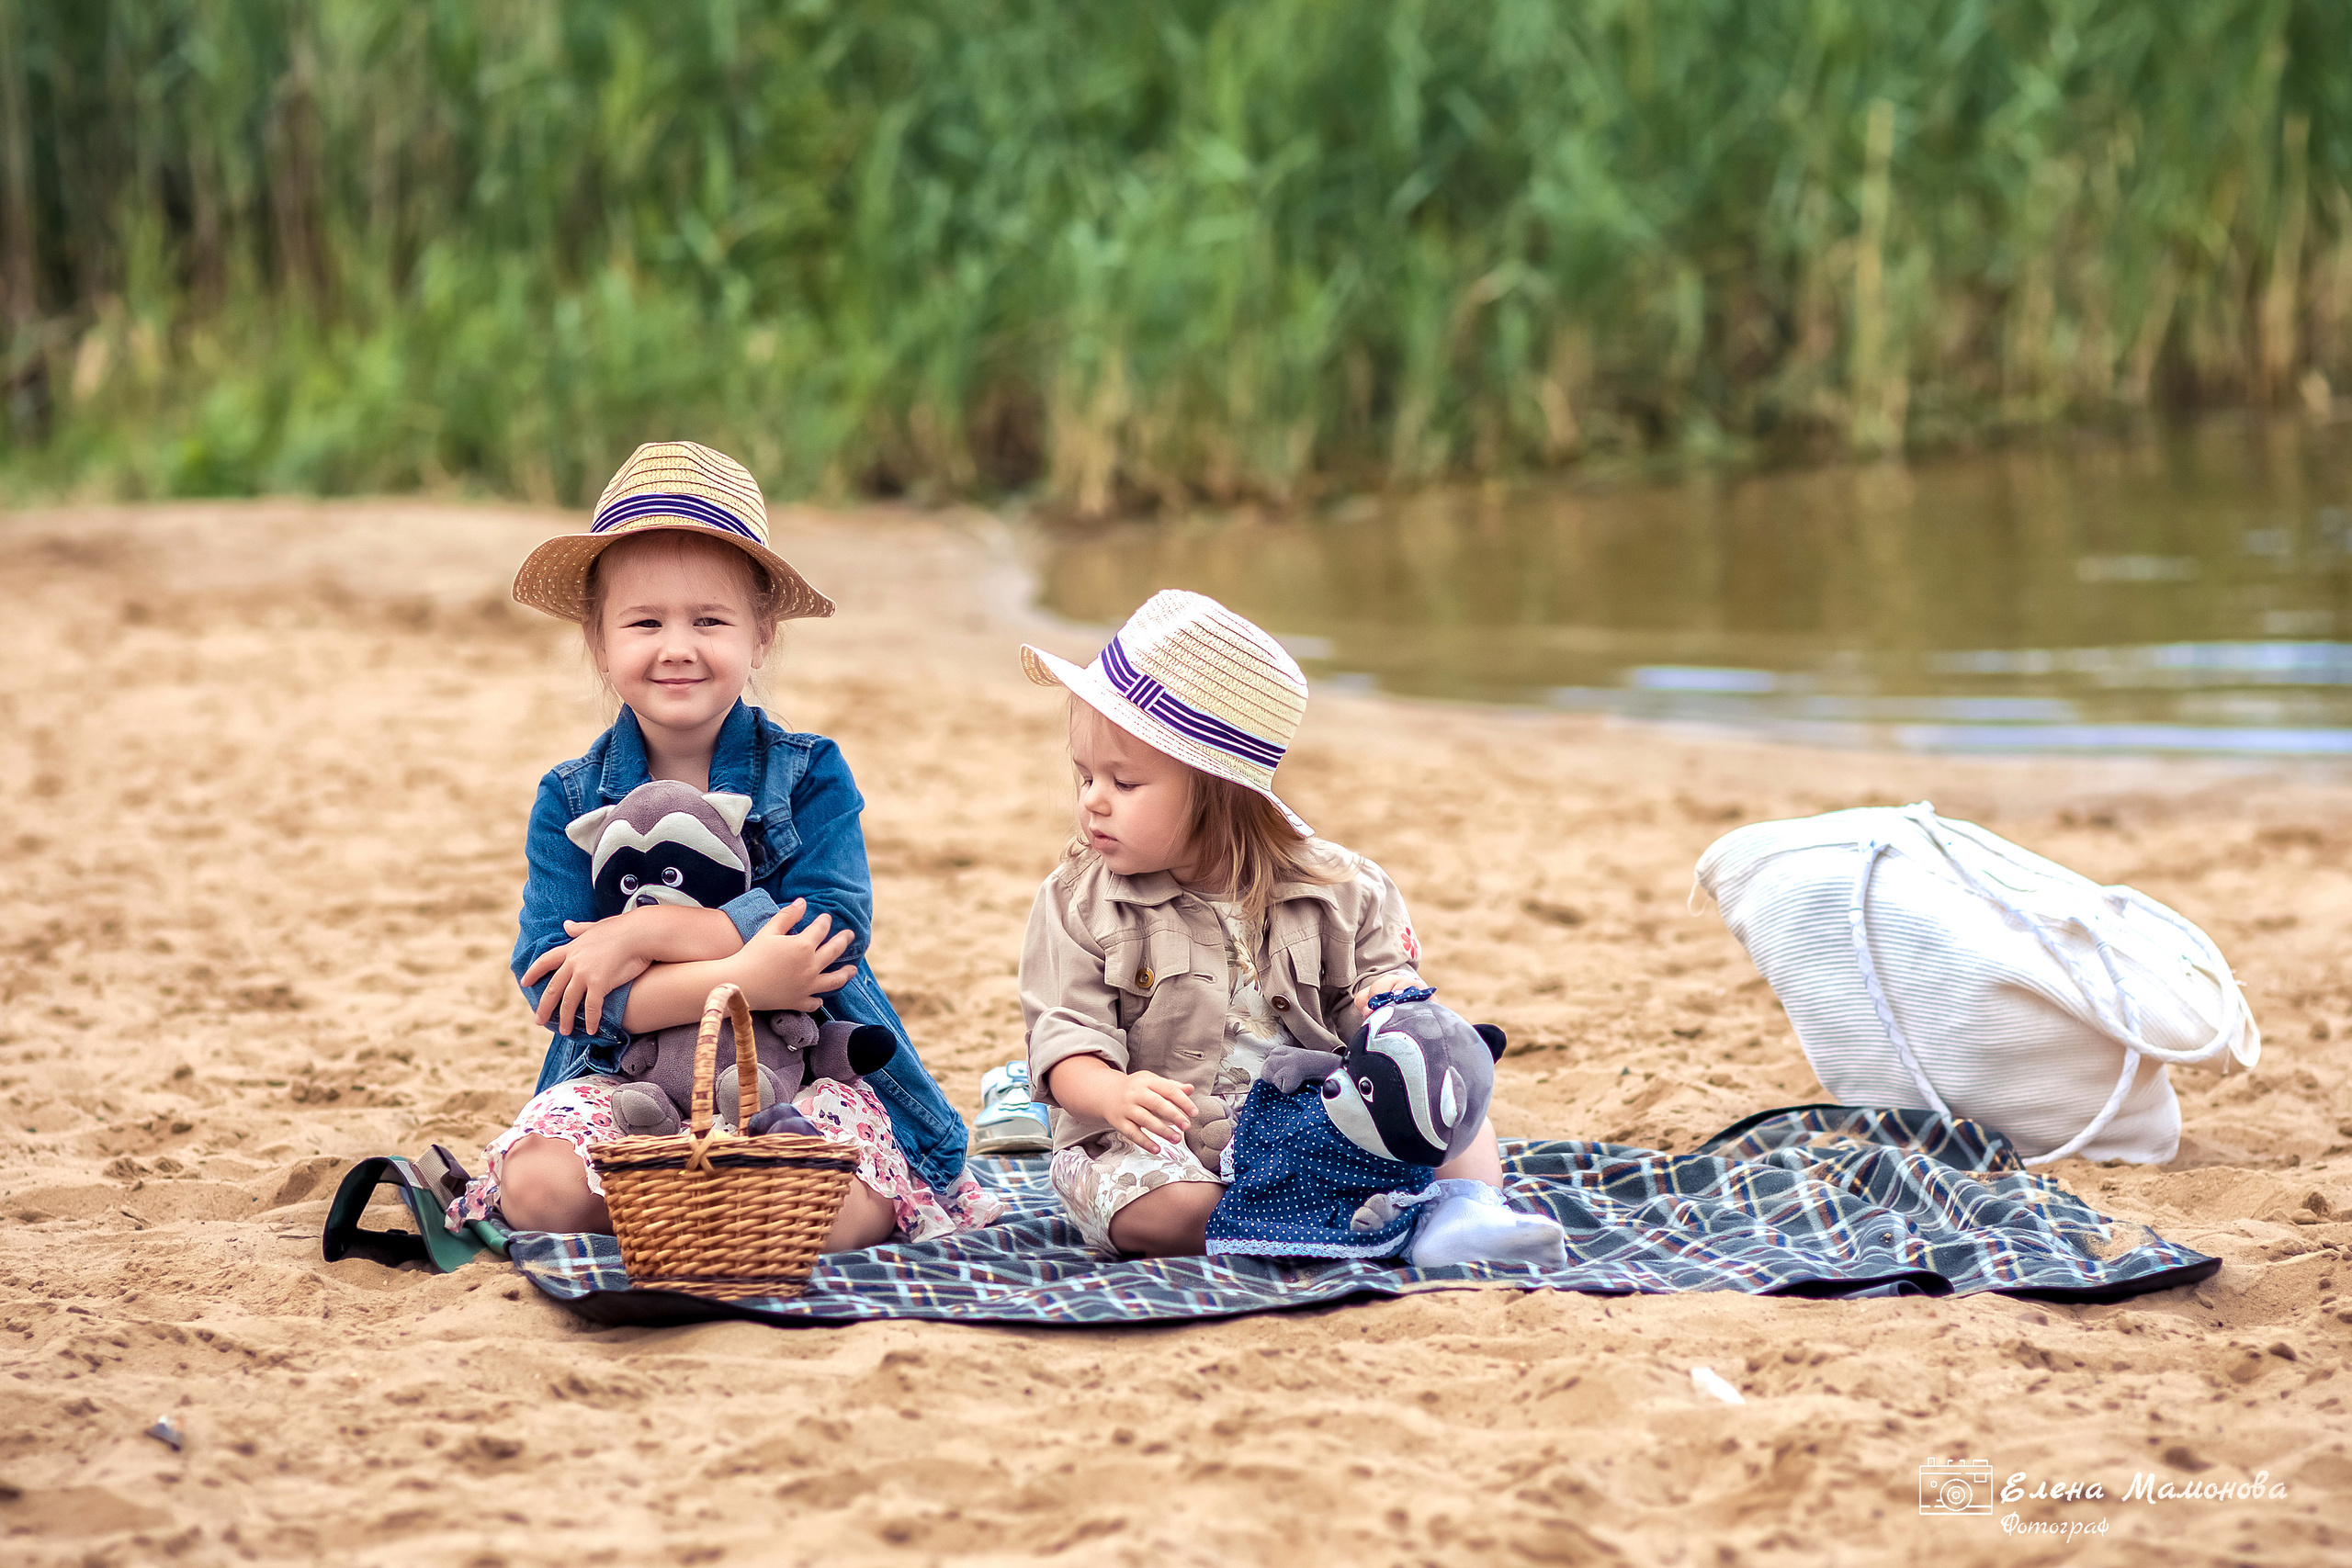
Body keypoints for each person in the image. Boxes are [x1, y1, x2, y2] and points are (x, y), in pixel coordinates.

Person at [445, 440, 1001, 1248]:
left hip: (794, 1079)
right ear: (600, 641)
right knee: (538, 1189)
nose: (678, 646)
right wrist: (747, 974)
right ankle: (689, 1205)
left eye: (709, 619)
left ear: (761, 633)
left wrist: (640, 934)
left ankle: (707, 1208)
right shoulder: (569, 799)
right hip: (627, 1080)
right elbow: (560, 989)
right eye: (645, 622)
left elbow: (829, 930)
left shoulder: (811, 774)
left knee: (842, 1209)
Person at [1017, 589, 1565, 1265]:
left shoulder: (1341, 890)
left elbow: (1378, 998)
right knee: (1158, 1214)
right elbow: (1063, 1038)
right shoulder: (1078, 900)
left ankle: (1464, 1210)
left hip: (1310, 1126)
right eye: (1084, 776)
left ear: (1222, 791)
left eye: (1123, 783)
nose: (1092, 801)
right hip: (1157, 1144)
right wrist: (1113, 1092)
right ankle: (1353, 1219)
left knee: (1451, 1094)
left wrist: (1382, 1006)